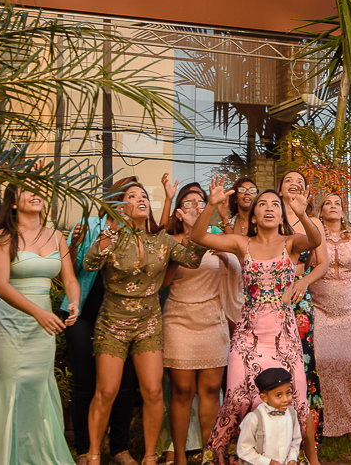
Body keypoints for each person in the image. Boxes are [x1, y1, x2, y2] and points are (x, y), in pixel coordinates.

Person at [0, 183, 81, 465]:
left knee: (37, 385)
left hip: (44, 324)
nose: (36, 194)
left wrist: (73, 302)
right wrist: (38, 313)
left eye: (39, 190)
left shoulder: (56, 236)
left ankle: (37, 455)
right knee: (7, 385)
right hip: (13, 322)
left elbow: (69, 278)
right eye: (27, 190)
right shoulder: (3, 238)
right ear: (11, 203)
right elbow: (0, 286)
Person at [193, 177, 321, 465]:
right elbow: (199, 237)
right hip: (248, 336)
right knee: (237, 399)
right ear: (253, 215)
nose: (269, 208)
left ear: (281, 214)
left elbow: (315, 240)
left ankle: (311, 459)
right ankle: (221, 459)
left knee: (298, 399)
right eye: (262, 204)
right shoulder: (242, 243)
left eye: (275, 204)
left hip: (284, 334)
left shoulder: (291, 243)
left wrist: (301, 213)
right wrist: (211, 207)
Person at [82, 179, 207, 465]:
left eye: (143, 196)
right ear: (121, 206)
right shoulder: (112, 237)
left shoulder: (161, 239)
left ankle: (150, 456)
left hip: (148, 321)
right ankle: (93, 454)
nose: (140, 199)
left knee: (152, 390)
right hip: (113, 322)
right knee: (107, 391)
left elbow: (191, 260)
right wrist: (108, 233)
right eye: (132, 195)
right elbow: (89, 263)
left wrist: (196, 233)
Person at [63, 176, 143, 465]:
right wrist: (73, 246)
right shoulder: (92, 226)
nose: (131, 202)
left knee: (124, 383)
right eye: (126, 197)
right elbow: (71, 268)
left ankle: (119, 448)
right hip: (84, 312)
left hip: (124, 317)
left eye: (136, 197)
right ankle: (85, 449)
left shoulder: (140, 233)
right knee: (85, 381)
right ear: (113, 200)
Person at [162, 182, 242, 462]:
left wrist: (227, 257)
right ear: (179, 213)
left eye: (200, 201)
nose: (195, 206)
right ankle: (181, 455)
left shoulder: (217, 238)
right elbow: (163, 281)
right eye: (188, 203)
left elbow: (241, 265)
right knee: (183, 390)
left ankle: (212, 454)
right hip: (179, 320)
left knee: (210, 390)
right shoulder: (169, 240)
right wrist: (180, 250)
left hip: (212, 320)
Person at [308, 193, 351, 439]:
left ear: (343, 210)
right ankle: (329, 422)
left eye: (338, 203)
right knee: (324, 362)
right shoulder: (313, 234)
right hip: (320, 307)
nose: (333, 207)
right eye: (328, 203)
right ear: (321, 210)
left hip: (347, 308)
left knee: (349, 364)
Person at [276, 171, 325, 465]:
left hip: (299, 297)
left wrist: (303, 283)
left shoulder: (313, 222)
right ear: (279, 188)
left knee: (303, 367)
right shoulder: (270, 214)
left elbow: (323, 264)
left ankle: (309, 444)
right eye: (288, 180)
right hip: (270, 299)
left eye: (299, 182)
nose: (294, 184)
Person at [236, 368, 301, 465]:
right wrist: (267, 462)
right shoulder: (254, 419)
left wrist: (292, 458)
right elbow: (244, 450)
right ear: (264, 398)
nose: (286, 399)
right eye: (278, 395)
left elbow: (295, 440)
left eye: (288, 393)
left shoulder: (291, 414)